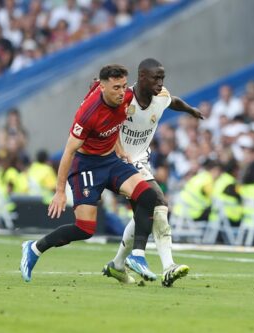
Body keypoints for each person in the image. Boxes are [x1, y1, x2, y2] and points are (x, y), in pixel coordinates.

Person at [20, 64, 159, 283]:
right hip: (86, 166)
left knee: (149, 196)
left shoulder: (127, 97)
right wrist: (59, 191)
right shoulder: (88, 114)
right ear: (103, 88)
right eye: (115, 88)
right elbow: (68, 151)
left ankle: (137, 256)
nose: (122, 92)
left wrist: (120, 148)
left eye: (123, 86)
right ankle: (35, 248)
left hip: (111, 160)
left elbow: (117, 124)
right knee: (85, 228)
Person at [105, 58, 203, 286]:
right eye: (155, 78)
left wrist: (190, 110)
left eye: (162, 78)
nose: (160, 83)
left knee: (147, 210)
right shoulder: (124, 98)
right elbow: (102, 112)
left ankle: (118, 265)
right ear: (141, 77)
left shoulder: (161, 97)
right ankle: (166, 265)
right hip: (118, 161)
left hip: (140, 162)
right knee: (158, 202)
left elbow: (173, 101)